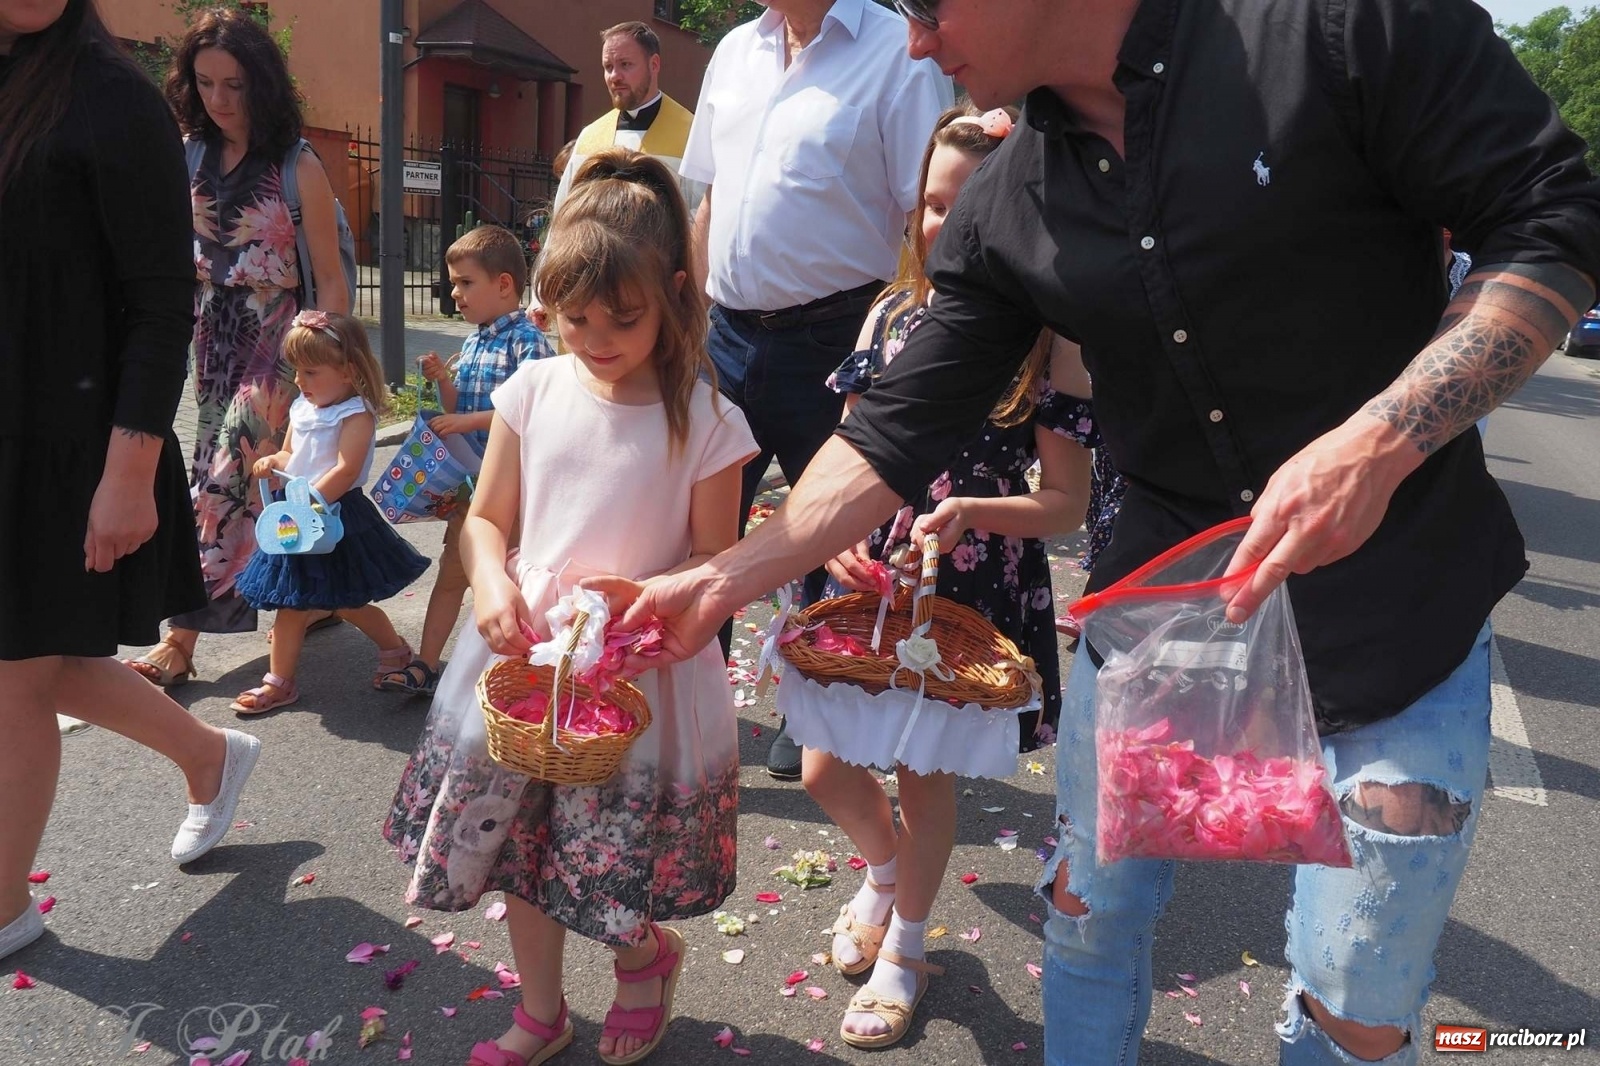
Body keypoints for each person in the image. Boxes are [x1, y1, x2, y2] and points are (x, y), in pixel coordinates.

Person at [622, 0, 1600, 1062]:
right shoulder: (1008, 196)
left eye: (927, 6)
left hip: (1396, 612)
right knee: (1088, 922)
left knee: (1356, 998)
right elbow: (897, 427)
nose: (915, 42)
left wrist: (1381, 441)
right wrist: (718, 581)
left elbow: (1553, 215)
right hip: (1157, 623)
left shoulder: (1336, 23)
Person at [383, 150, 757, 1066]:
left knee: (609, 854)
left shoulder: (708, 420)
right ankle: (541, 1012)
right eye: (574, 317)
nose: (595, 337)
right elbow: (485, 520)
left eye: (622, 318)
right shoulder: (533, 391)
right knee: (516, 843)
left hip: (636, 671)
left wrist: (658, 599)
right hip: (522, 662)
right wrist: (492, 580)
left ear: (672, 294)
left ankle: (640, 963)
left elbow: (716, 559)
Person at [796, 103, 1094, 1049]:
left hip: (970, 587)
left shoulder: (1052, 338)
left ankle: (909, 950)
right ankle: (885, 876)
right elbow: (846, 450)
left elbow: (1066, 503)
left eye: (969, 206)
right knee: (823, 766)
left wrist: (973, 511)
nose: (947, 225)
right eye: (933, 205)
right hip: (871, 578)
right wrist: (828, 537)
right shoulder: (889, 312)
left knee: (924, 777)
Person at [0, 0, 264, 964]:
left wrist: (129, 472)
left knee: (14, 675)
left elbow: (161, 303)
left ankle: (4, 908)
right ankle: (209, 755)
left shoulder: (109, 95)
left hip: (67, 443)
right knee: (43, 659)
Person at [679, 0, 949, 778]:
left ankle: (813, 707)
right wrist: (685, 325)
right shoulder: (736, 50)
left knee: (834, 535)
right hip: (727, 337)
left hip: (837, 335)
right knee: (702, 527)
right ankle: (692, 704)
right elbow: (710, 200)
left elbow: (928, 212)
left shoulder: (898, 53)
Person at [126, 8, 350, 688]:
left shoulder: (297, 164)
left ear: (262, 84)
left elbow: (331, 279)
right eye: (205, 83)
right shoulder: (189, 152)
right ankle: (318, 596)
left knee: (223, 477)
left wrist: (322, 366)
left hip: (279, 340)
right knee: (267, 480)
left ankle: (182, 638)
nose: (219, 100)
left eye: (234, 85)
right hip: (212, 336)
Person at [379, 225, 554, 696]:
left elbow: (532, 412)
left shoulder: (528, 341)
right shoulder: (474, 342)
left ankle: (522, 676)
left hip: (513, 495)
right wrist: (443, 381)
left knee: (513, 583)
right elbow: (457, 405)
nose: (454, 292)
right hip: (470, 490)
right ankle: (426, 663)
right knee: (452, 575)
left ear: (504, 284)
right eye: (453, 282)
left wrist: (467, 422)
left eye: (465, 282)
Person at [231, 312, 429, 713]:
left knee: (348, 601)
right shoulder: (303, 408)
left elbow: (346, 469)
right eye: (297, 371)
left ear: (348, 371)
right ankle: (279, 682)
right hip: (297, 515)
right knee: (291, 602)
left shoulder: (355, 413)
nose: (300, 381)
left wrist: (311, 499)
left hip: (336, 515)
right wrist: (273, 461)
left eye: (311, 372)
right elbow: (291, 453)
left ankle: (394, 650)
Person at [552, 22, 703, 216]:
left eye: (625, 64)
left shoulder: (692, 133)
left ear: (654, 64)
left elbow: (703, 216)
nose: (614, 76)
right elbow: (563, 216)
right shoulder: (589, 137)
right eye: (608, 67)